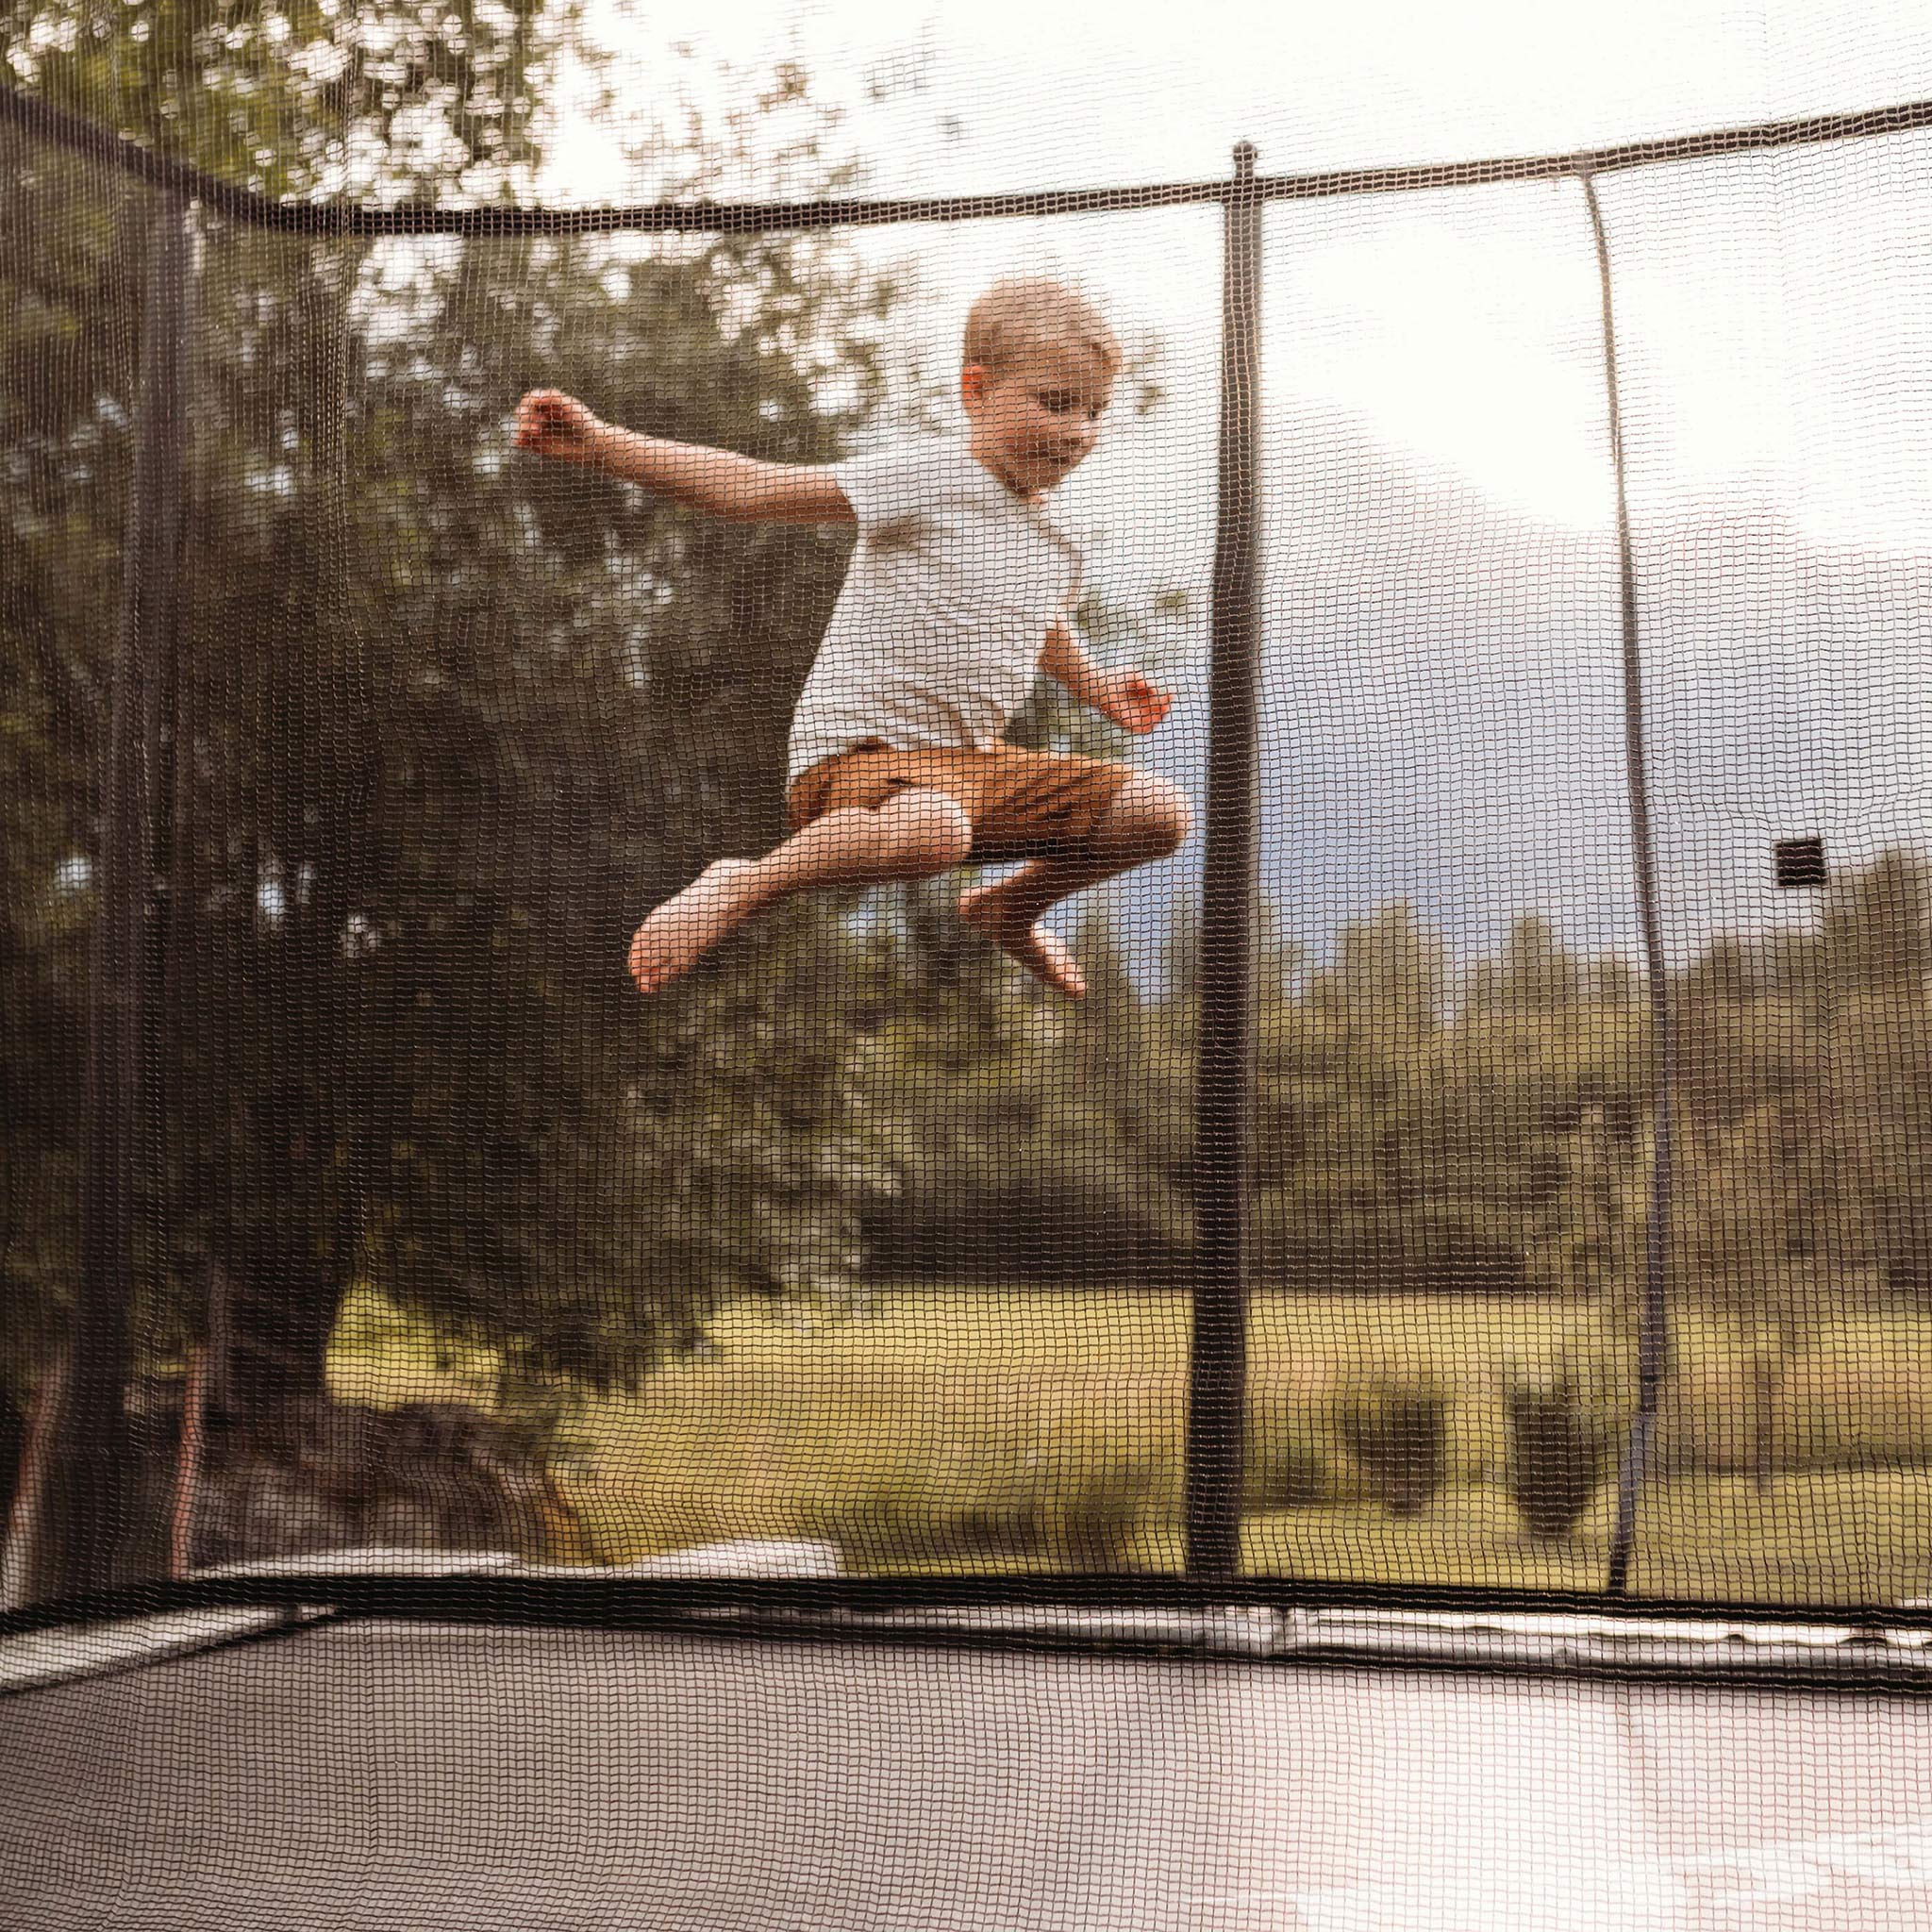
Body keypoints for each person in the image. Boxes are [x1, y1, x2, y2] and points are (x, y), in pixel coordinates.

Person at [513, 276, 1191, 1000]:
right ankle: (748, 882)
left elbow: (1041, 621)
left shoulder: (1058, 534)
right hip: (857, 769)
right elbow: (748, 489)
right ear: (977, 390)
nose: (1074, 431)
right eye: (1053, 403)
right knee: (933, 831)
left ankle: (1010, 908)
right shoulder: (929, 475)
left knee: (1158, 813)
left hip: (970, 773)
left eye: (1094, 412)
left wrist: (1096, 687)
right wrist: (605, 445)